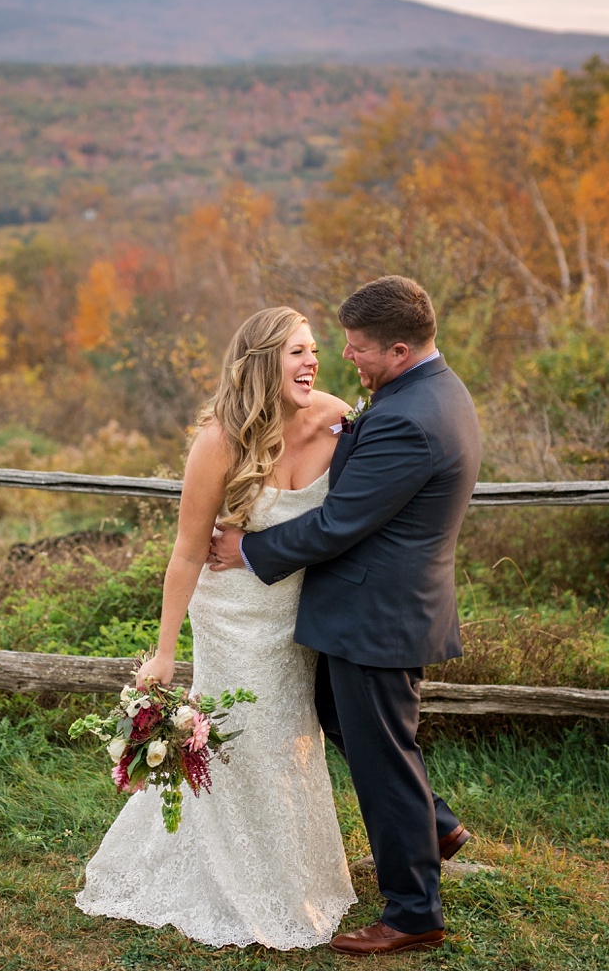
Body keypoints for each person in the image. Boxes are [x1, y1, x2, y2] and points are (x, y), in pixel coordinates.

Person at [208, 275, 482, 956]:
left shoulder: (406, 419)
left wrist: (249, 548)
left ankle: (414, 911)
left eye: (358, 348)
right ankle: (436, 825)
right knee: (342, 719)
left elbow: (337, 523)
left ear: (396, 347)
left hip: (376, 615)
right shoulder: (431, 391)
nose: (346, 358)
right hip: (382, 606)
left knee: (382, 759)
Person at [75, 306, 358, 950]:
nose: (312, 361)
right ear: (262, 362)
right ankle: (231, 876)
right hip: (230, 613)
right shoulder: (219, 442)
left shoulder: (340, 419)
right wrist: (165, 651)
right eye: (296, 352)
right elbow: (185, 550)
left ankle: (297, 872)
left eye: (315, 350)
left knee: (291, 735)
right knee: (240, 737)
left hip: (298, 612)